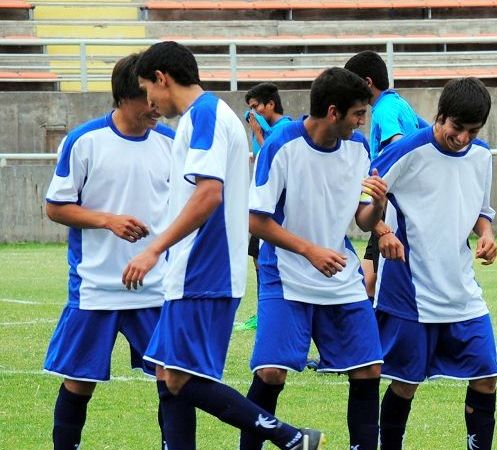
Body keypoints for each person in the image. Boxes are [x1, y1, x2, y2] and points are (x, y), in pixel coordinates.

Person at [121, 41, 323, 450]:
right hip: (193, 270)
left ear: (162, 78)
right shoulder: (202, 118)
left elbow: (209, 194)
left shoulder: (206, 116)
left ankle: (291, 437)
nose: (151, 102)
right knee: (165, 372)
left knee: (178, 377)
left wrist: (154, 248)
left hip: (204, 269)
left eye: (149, 89)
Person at [241, 67, 386, 450]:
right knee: (271, 373)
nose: (362, 122)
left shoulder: (358, 148)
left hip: (339, 272)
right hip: (286, 272)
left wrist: (380, 207)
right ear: (334, 112)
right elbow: (256, 220)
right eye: (358, 114)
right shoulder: (281, 144)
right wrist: (309, 250)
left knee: (369, 368)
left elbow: (362, 218)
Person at [42, 53, 174, 450]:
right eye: (148, 100)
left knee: (172, 379)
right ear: (124, 98)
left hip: (155, 286)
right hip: (96, 286)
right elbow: (55, 206)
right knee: (79, 381)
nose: (156, 108)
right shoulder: (84, 141)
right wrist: (107, 220)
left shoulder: (171, 143)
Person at [370, 77, 497, 450]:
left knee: (486, 375)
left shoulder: (481, 156)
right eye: (457, 128)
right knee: (405, 384)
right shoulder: (407, 150)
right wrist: (381, 231)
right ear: (440, 116)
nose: (463, 138)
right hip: (411, 289)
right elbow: (360, 198)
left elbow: (480, 210)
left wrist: (486, 234)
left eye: (472, 131)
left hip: (461, 288)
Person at [344, 50, 428, 301]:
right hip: (396, 200)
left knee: (380, 284)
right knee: (368, 280)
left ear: (367, 83)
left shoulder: (383, 110)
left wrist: (380, 181)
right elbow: (427, 135)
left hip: (390, 202)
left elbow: (397, 144)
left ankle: (380, 335)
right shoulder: (401, 103)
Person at [240, 82, 294, 331]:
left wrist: (258, 133)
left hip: (277, 211)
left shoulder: (285, 129)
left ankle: (271, 313)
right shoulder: (267, 129)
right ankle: (263, 311)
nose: (253, 114)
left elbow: (274, 158)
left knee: (271, 262)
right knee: (257, 258)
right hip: (261, 207)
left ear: (270, 104)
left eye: (256, 107)